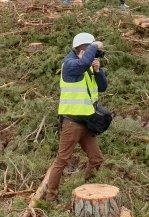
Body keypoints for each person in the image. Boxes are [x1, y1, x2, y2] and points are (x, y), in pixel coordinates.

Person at [44, 32, 108, 202]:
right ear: (83, 50)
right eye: (91, 51)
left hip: (87, 122)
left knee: (96, 159)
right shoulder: (70, 65)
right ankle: (51, 196)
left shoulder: (86, 66)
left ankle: (86, 188)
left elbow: (102, 87)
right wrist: (95, 46)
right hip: (72, 122)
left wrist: (97, 70)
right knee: (62, 160)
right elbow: (83, 62)